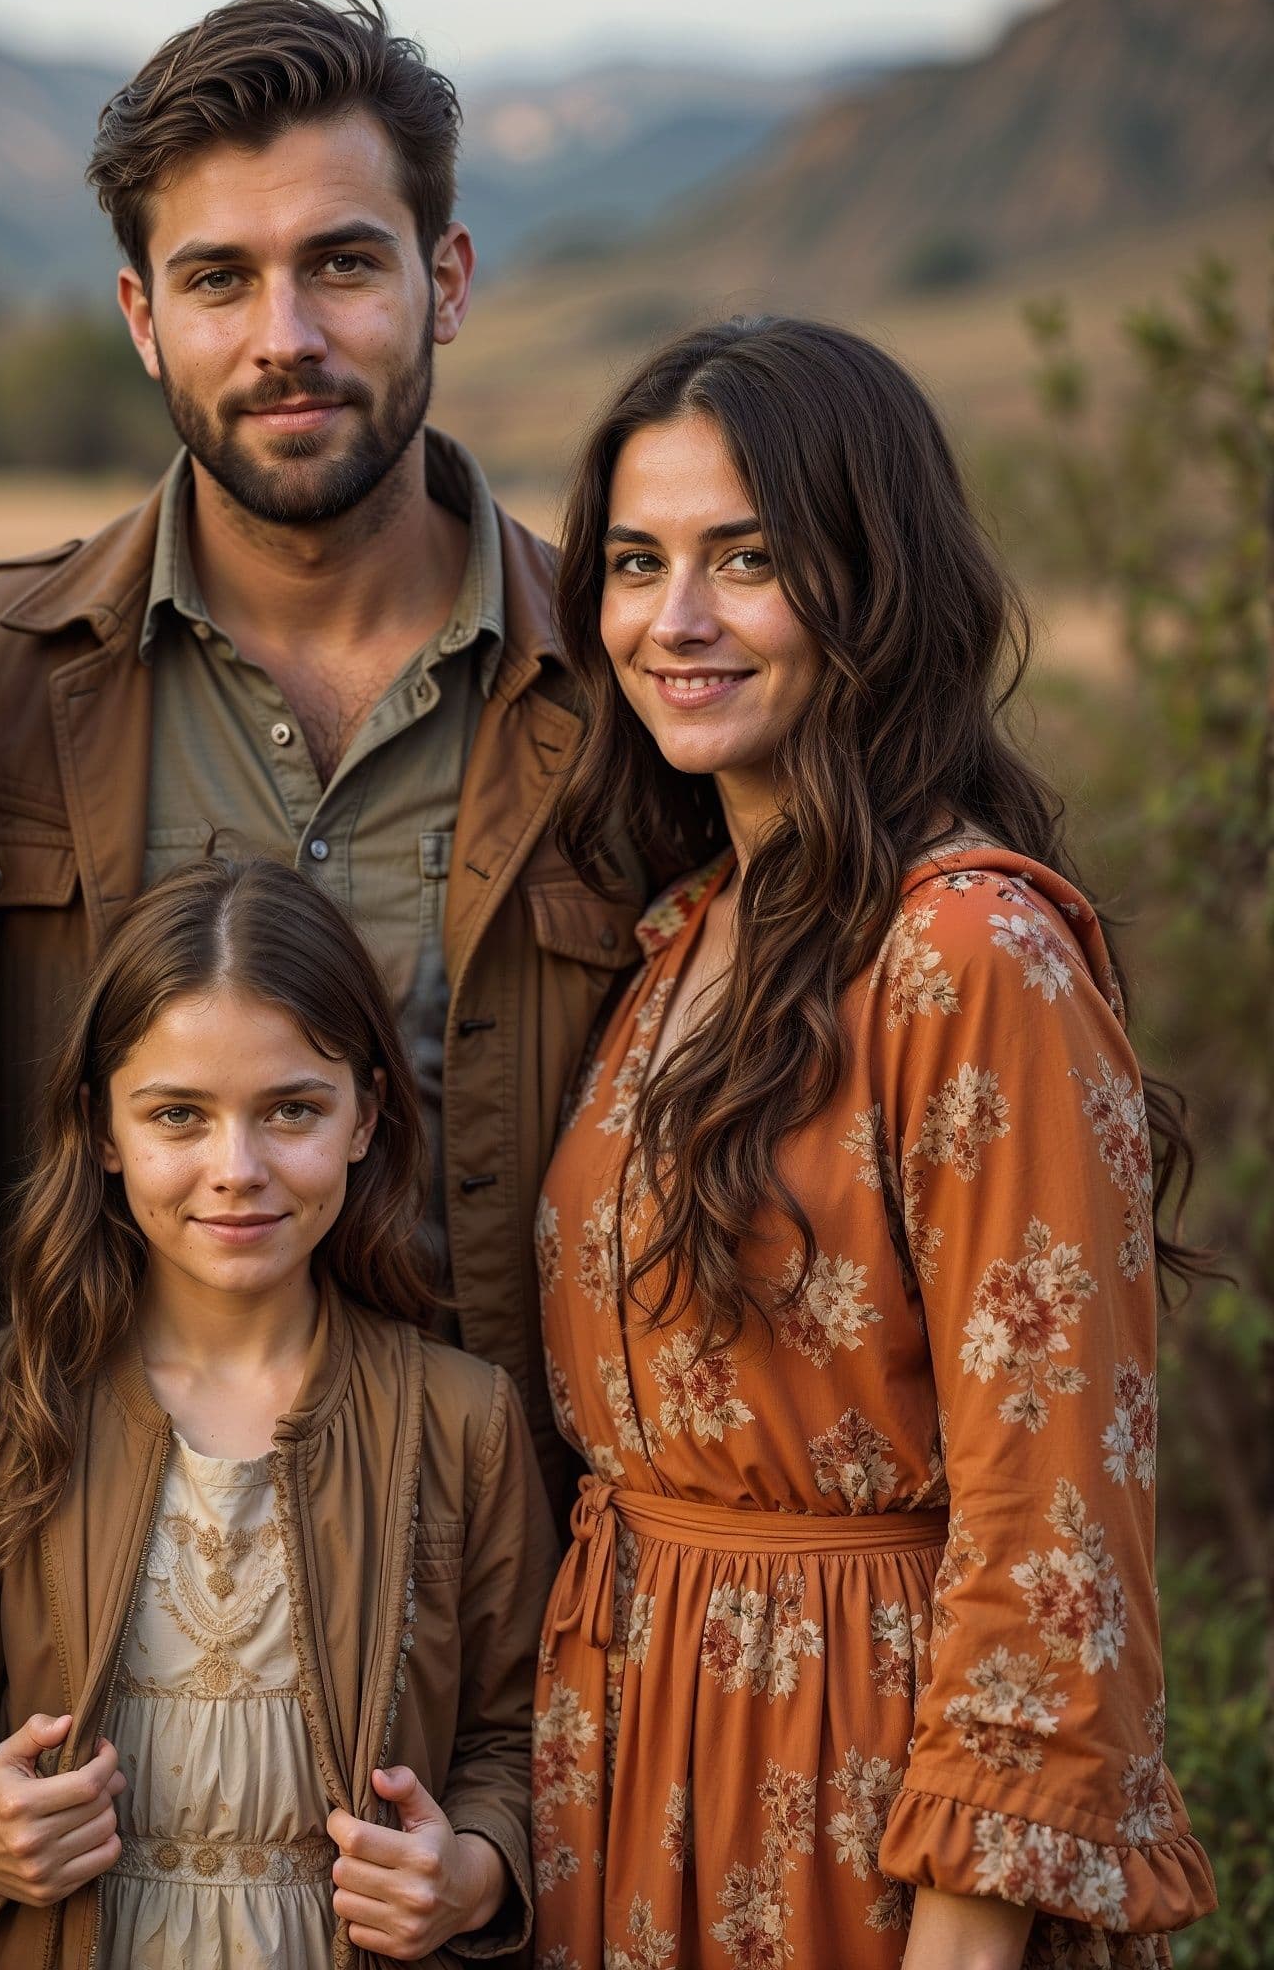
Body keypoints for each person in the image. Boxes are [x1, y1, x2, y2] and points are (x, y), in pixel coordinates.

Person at [528, 316, 1217, 1967]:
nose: (671, 620)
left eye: (744, 559)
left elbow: (1051, 1522)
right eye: (635, 561)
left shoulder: (971, 957)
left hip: (862, 1798)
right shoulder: (685, 930)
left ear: (872, 584)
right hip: (632, 1763)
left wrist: (962, 1935)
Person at [0, 0, 644, 1511]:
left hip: (513, 1615)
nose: (287, 339)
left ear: (445, 281)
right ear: (143, 320)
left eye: (342, 263)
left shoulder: (629, 699)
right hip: (74, 1608)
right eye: (218, 279)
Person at [0, 856, 555, 1967]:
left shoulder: (461, 1416)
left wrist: (470, 1869)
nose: (234, 1167)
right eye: (176, 1115)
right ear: (102, 1128)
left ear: (365, 1116)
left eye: (290, 1108)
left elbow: (516, 1736)